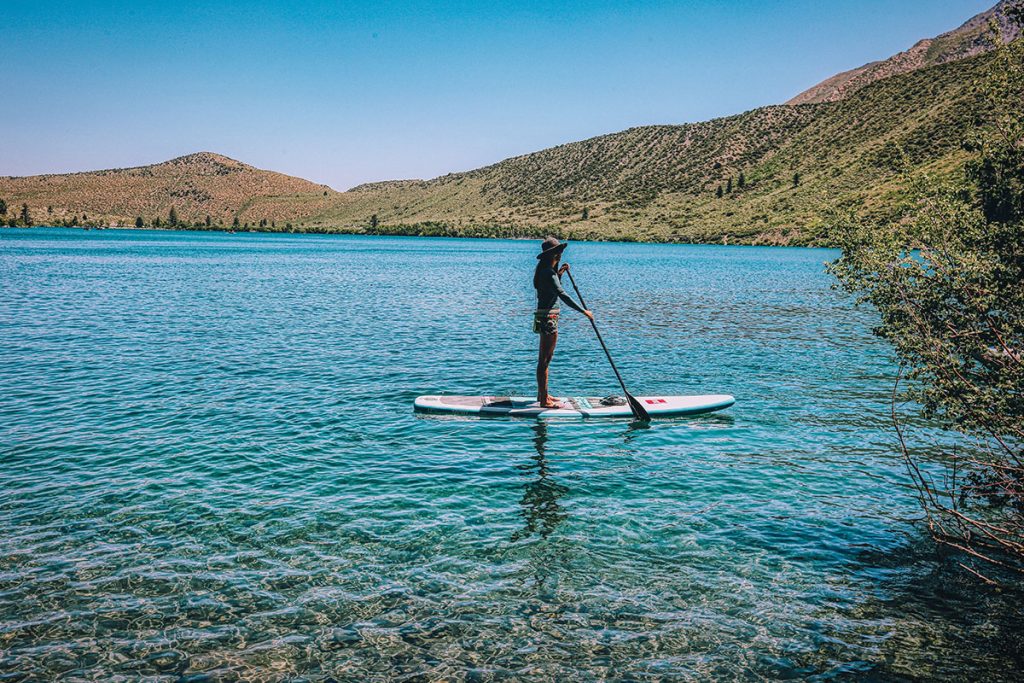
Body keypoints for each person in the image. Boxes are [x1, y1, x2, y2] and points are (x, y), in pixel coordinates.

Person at [532, 237, 593, 408]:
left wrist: (560, 274)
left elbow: (550, 288)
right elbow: (562, 294)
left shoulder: (544, 270)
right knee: (545, 360)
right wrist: (583, 311)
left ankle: (542, 395)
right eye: (559, 253)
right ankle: (544, 400)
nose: (560, 255)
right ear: (553, 255)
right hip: (549, 318)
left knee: (544, 359)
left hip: (545, 316)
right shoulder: (548, 273)